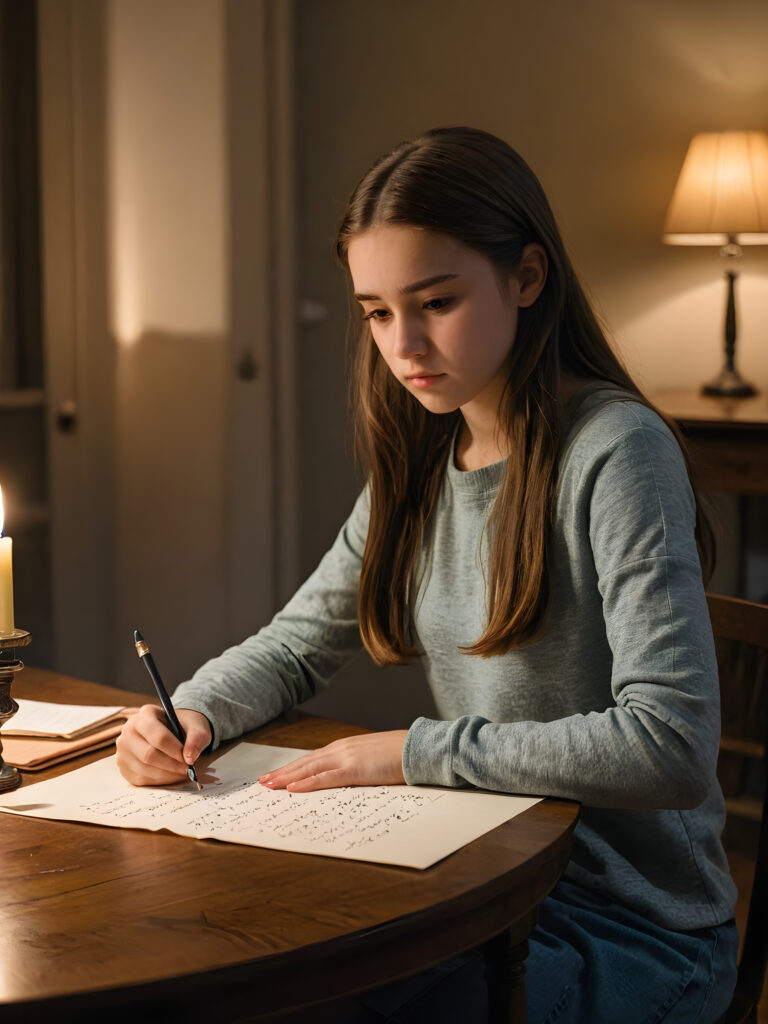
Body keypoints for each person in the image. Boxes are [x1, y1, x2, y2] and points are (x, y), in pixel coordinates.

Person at [116, 126, 739, 1023]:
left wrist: (412, 753)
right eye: (376, 312)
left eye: (436, 302)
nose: (403, 344)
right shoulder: (419, 465)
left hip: (633, 927)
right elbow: (295, 647)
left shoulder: (617, 450)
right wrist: (193, 713)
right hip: (487, 884)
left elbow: (670, 744)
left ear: (527, 277)